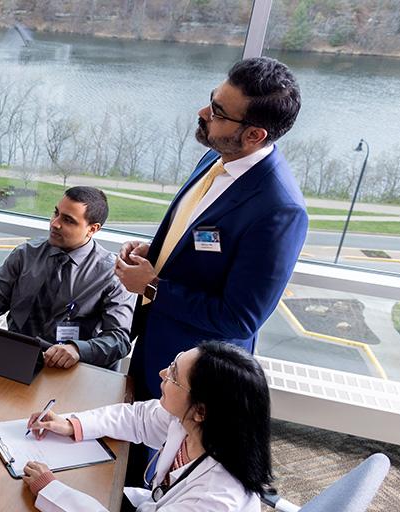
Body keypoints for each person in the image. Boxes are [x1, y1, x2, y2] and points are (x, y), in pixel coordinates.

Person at [114, 57, 308, 401]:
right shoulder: (216, 157)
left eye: (218, 112)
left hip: (196, 376)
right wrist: (156, 256)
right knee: (131, 446)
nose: (203, 112)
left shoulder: (280, 210)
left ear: (254, 135)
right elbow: (196, 242)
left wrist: (153, 286)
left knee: (168, 455)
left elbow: (239, 318)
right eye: (211, 98)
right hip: (153, 342)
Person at [22, 342, 273, 511]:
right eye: (173, 364)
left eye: (174, 375)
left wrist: (52, 491)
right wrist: (72, 423)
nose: (163, 373)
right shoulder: (194, 424)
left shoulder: (214, 499)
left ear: (201, 411)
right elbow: (137, 418)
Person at [0, 187, 134, 370]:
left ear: (92, 229)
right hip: (18, 357)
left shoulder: (112, 274)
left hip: (71, 369)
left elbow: (118, 340)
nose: (54, 223)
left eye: (67, 220)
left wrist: (78, 349)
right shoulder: (26, 254)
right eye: (56, 213)